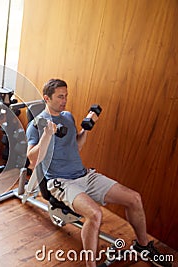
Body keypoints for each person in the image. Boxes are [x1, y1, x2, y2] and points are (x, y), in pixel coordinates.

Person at [26, 78, 171, 267]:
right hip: (61, 181)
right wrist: (46, 134)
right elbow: (33, 159)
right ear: (47, 98)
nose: (65, 100)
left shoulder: (68, 117)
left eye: (66, 96)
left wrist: (86, 129)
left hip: (84, 175)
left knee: (134, 198)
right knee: (95, 215)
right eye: (60, 97)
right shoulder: (36, 126)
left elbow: (75, 146)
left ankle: (142, 246)